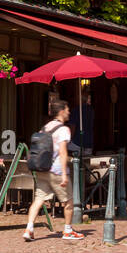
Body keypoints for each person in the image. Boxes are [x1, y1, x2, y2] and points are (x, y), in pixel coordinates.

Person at [24, 97, 83, 241]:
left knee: (38, 199)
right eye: (68, 110)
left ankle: (29, 229)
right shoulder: (64, 129)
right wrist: (64, 174)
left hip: (42, 169)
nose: (69, 113)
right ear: (61, 111)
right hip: (56, 170)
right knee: (69, 200)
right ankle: (68, 230)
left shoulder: (45, 127)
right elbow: (63, 152)